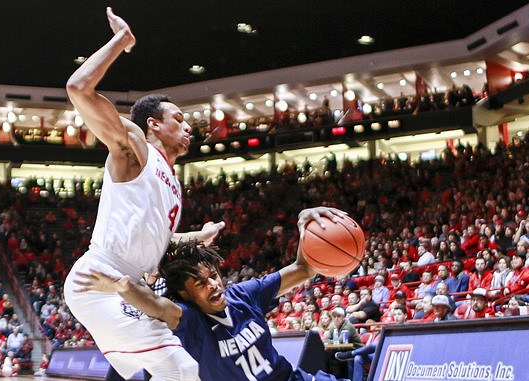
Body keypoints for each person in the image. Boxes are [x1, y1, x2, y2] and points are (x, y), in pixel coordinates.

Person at [63, 8, 224, 381]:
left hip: (128, 286)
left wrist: (198, 235)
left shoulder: (172, 180)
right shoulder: (135, 147)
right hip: (100, 280)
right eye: (178, 119)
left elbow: (159, 239)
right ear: (153, 124)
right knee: (183, 369)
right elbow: (77, 89)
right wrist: (121, 40)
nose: (188, 127)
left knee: (172, 363)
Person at [74, 207, 349, 381]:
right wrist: (122, 287)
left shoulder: (245, 295)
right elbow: (156, 306)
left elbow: (303, 269)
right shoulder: (190, 321)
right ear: (184, 292)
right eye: (202, 283)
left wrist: (307, 226)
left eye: (214, 276)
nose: (215, 285)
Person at [333, 305, 407, 381]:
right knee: (358, 358)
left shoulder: (410, 327)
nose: (396, 317)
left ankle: (351, 353)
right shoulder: (390, 328)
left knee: (376, 344)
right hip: (383, 354)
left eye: (399, 314)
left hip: (398, 356)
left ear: (405, 316)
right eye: (394, 315)